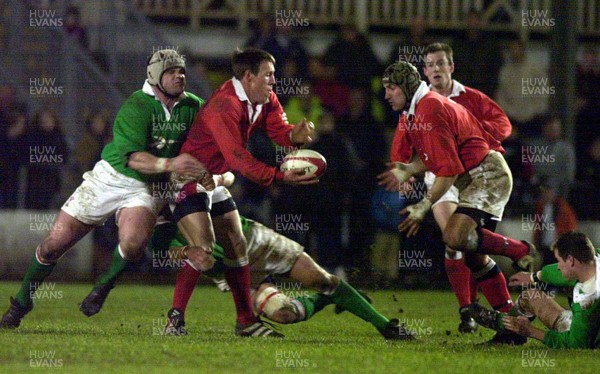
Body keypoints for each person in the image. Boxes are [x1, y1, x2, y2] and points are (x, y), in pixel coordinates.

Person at [0, 48, 211, 329]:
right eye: (172, 72)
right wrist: (173, 163)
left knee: (134, 243)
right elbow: (134, 158)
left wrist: (210, 170)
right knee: (54, 245)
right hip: (110, 178)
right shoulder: (136, 105)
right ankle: (22, 301)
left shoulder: (193, 105)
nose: (180, 76)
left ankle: (104, 284)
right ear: (155, 76)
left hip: (146, 188)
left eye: (182, 71)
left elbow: (209, 142)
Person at [80, 174, 412, 340]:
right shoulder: (151, 209)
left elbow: (226, 176)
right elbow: (162, 250)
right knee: (283, 314)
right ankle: (323, 303)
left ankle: (386, 326)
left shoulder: (188, 177)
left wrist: (218, 177)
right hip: (231, 273)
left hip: (252, 242)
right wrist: (185, 251)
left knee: (322, 279)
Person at [377, 60, 539, 344]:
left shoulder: (429, 108)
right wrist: (410, 169)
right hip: (474, 177)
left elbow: (448, 169)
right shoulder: (417, 110)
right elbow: (433, 157)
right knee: (473, 255)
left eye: (391, 88)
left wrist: (423, 206)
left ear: (405, 86)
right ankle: (512, 326)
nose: (387, 94)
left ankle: (520, 249)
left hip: (486, 175)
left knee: (453, 236)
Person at [171, 47, 317, 338]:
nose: (274, 82)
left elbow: (279, 130)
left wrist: (293, 136)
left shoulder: (264, 99)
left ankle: (245, 322)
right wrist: (278, 176)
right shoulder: (224, 105)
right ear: (249, 77)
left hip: (215, 178)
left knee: (237, 245)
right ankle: (174, 319)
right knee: (205, 249)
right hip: (188, 177)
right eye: (269, 75)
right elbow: (238, 158)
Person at [469, 231, 600, 349]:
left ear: (571, 260)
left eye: (559, 261)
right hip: (586, 326)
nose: (559, 266)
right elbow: (564, 271)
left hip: (584, 335)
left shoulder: (588, 301)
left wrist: (531, 331)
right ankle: (509, 330)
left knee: (531, 298)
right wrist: (534, 277)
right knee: (531, 296)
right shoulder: (594, 260)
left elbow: (575, 344)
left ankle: (502, 324)